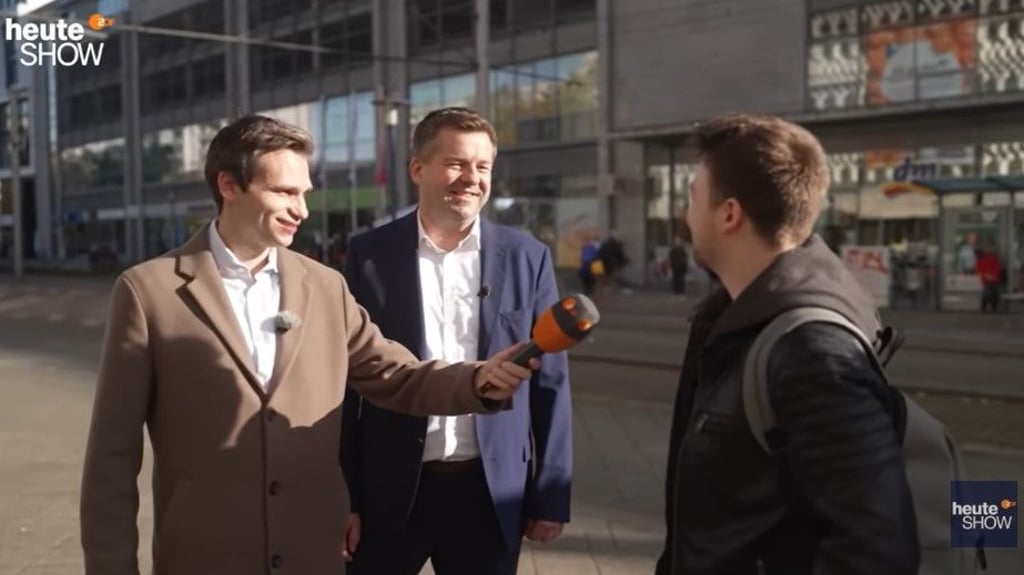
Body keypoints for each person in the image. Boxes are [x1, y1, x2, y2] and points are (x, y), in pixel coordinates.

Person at [79, 115, 536, 575]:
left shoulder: (324, 286)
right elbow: (111, 457)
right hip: (206, 556)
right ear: (229, 185)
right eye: (284, 192)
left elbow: (396, 375)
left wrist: (477, 380)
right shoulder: (149, 291)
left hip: (312, 555)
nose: (301, 210)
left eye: (304, 194)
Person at [655, 114, 918, 575]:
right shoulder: (737, 318)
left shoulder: (812, 353)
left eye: (693, 197)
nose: (686, 214)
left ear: (729, 214)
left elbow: (877, 547)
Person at [340, 107, 572, 575]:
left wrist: (551, 493)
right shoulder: (368, 256)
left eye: (482, 166)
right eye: (455, 163)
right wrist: (344, 496)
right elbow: (345, 384)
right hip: (390, 489)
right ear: (417, 168)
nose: (471, 178)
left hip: (491, 491)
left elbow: (550, 381)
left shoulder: (527, 257)